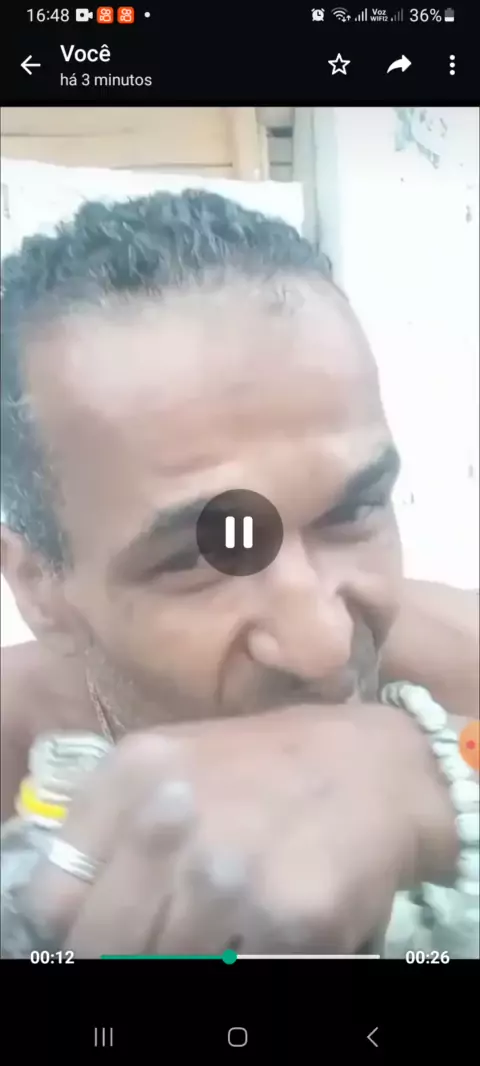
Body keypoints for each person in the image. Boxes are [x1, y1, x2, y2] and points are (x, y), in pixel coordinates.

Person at [1, 190, 478, 957]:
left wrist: (429, 775)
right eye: (202, 557)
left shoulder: (458, 673)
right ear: (40, 587)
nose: (324, 645)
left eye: (353, 510)